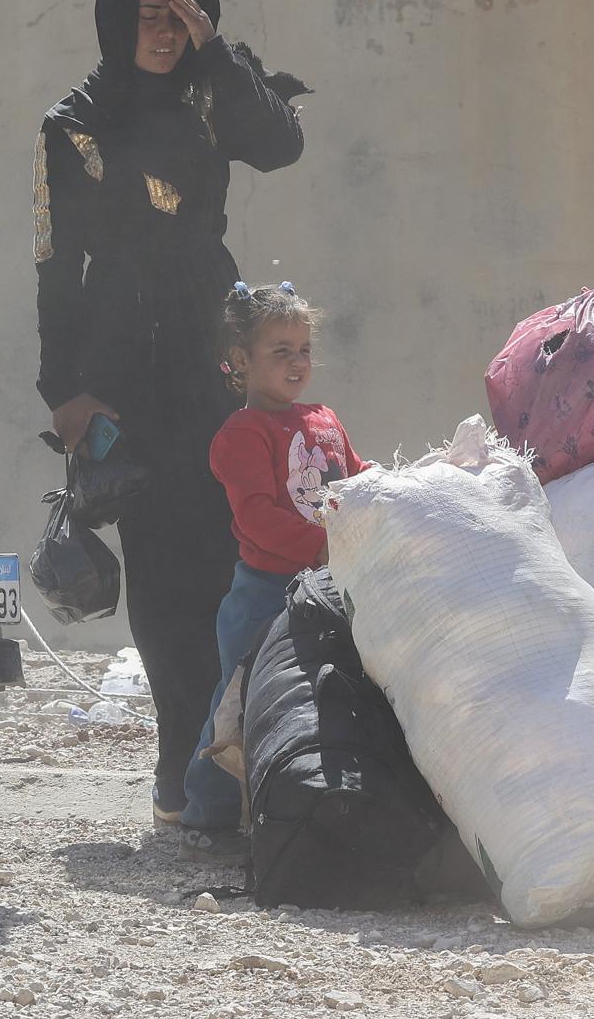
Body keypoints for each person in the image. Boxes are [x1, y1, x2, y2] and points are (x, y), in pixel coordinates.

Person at [34, 0, 307, 829]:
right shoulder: (73, 124)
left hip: (216, 356)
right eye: (147, 14)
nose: (163, 31)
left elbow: (281, 144)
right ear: (117, 18)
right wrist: (65, 391)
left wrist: (216, 49)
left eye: (177, 13)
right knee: (162, 578)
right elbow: (55, 266)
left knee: (241, 558)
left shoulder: (211, 93)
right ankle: (181, 775)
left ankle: (239, 770)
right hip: (126, 371)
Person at [179, 281, 369, 862]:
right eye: (279, 350)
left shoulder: (324, 418)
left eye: (304, 349)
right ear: (240, 361)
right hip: (265, 592)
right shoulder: (241, 434)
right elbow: (256, 517)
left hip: (327, 586)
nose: (297, 362)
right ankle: (207, 813)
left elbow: (356, 478)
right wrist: (319, 547)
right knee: (237, 697)